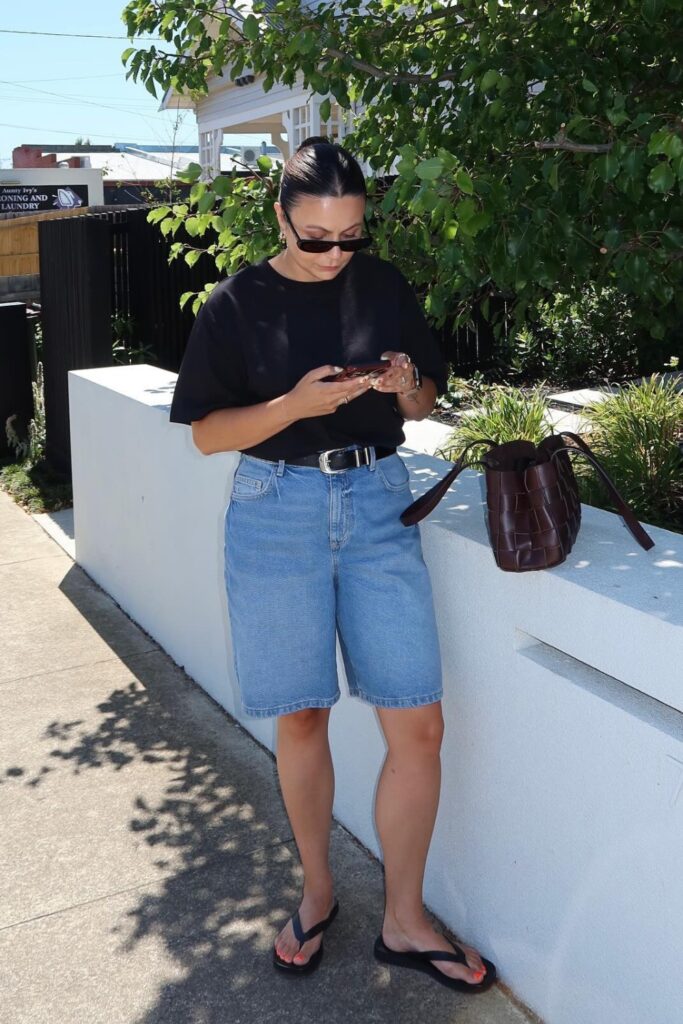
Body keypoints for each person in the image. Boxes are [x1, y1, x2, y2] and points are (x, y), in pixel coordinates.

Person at [168, 137, 497, 993]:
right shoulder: (234, 305)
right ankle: (318, 893)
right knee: (303, 715)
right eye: (316, 237)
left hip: (379, 504)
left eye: (350, 236)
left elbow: (426, 400)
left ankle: (404, 918)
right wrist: (292, 406)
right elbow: (207, 434)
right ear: (281, 215)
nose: (334, 254)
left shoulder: (382, 285)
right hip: (274, 512)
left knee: (417, 722)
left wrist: (400, 386)